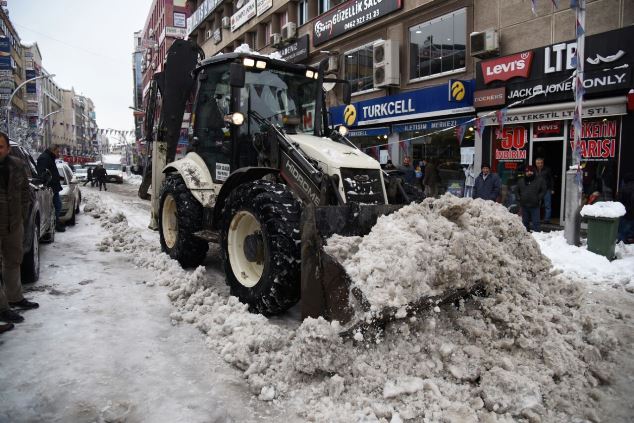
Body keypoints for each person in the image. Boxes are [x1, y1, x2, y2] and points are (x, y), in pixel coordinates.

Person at [0, 131, 39, 325]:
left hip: (13, 223)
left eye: (0, 147)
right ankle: (3, 308)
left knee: (13, 261)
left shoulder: (17, 165)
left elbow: (25, 190)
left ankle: (15, 298)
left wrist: (22, 213)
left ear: (7, 149)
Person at [36, 144, 65, 232]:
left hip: (53, 187)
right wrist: (47, 182)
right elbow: (43, 173)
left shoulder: (49, 158)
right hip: (49, 188)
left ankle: (56, 223)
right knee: (56, 206)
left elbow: (50, 171)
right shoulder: (44, 158)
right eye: (57, 152)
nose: (59, 154)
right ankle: (55, 224)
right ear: (52, 150)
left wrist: (58, 177)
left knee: (57, 206)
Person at [516, 165, 546, 232]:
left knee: (536, 222)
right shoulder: (521, 181)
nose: (529, 172)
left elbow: (543, 190)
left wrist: (538, 198)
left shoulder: (539, 180)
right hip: (524, 205)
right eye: (527, 171)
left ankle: (538, 236)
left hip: (534, 205)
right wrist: (519, 198)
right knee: (525, 222)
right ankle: (526, 236)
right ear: (525, 172)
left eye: (531, 171)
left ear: (533, 172)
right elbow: (516, 191)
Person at [534, 157, 554, 223]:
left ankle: (547, 219)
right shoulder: (534, 170)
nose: (539, 164)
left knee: (547, 205)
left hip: (546, 189)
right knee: (537, 204)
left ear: (543, 163)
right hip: (537, 190)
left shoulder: (547, 169)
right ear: (536, 164)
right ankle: (536, 218)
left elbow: (551, 179)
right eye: (538, 163)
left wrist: (552, 189)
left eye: (541, 163)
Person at [617, 173, 634, 243]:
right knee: (630, 234)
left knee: (621, 234)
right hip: (631, 214)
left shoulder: (624, 188)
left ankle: (620, 246)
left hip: (625, 214)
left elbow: (618, 201)